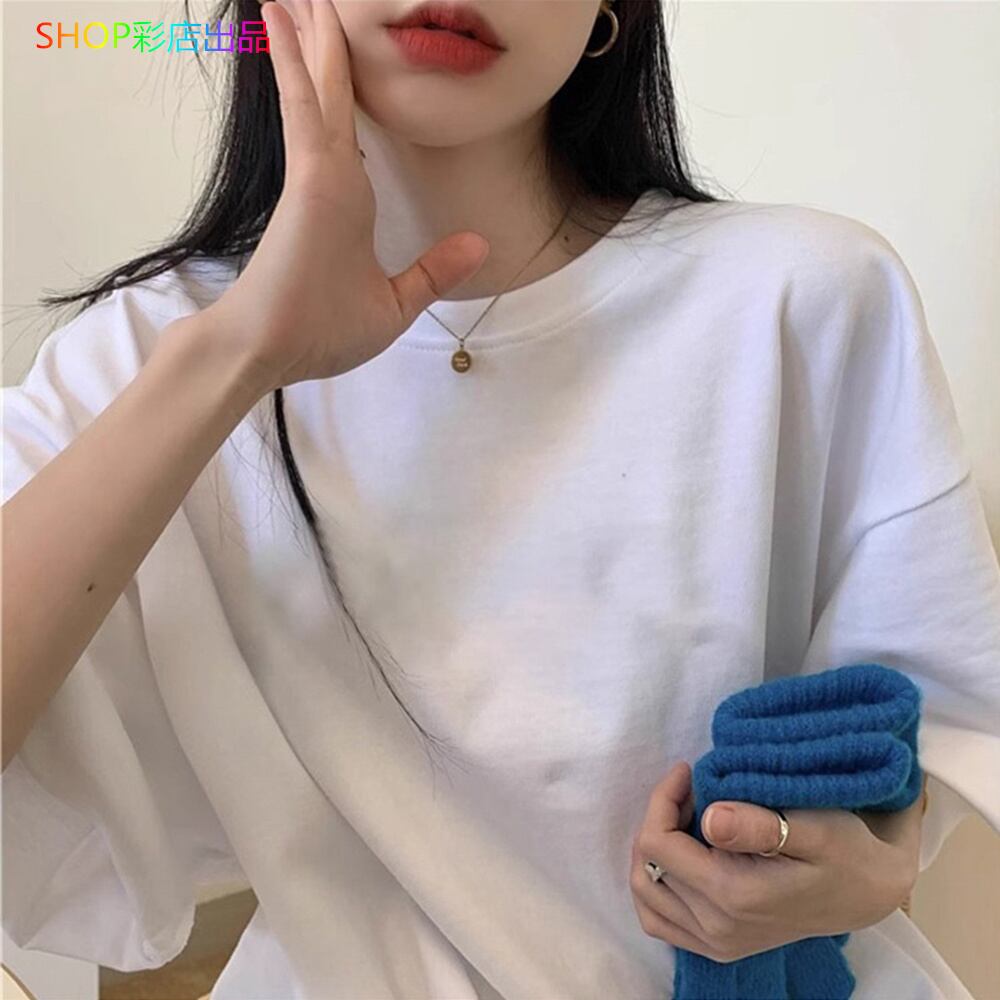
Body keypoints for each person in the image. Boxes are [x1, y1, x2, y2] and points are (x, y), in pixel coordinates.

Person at [3, 1, 998, 997]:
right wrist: (236, 355)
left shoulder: (806, 297)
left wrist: (875, 862)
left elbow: (926, 738)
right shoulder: (151, 360)